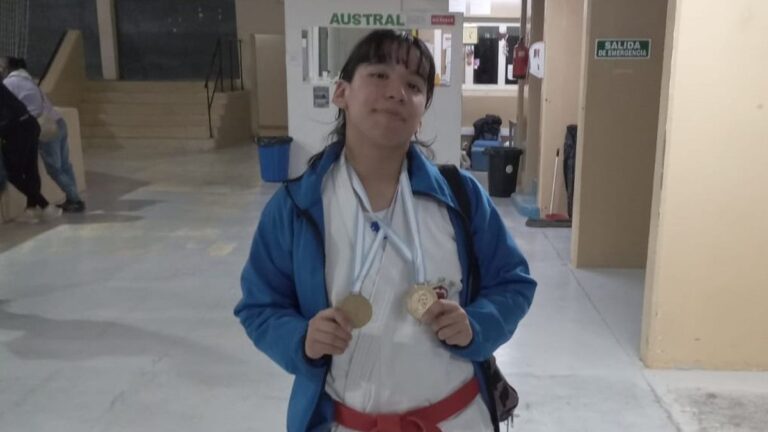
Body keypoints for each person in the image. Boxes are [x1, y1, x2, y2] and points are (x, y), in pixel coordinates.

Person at [234, 30, 536, 432]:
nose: (397, 92)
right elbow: (259, 307)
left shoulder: (461, 198)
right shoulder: (297, 207)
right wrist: (301, 339)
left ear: (421, 113)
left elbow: (514, 284)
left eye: (414, 86)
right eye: (379, 75)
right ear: (341, 92)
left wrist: (476, 324)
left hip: (455, 420)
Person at [1, 56, 85, 212]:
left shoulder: (9, 83)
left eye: (3, 67)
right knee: (64, 165)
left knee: (54, 169)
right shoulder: (29, 80)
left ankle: (73, 201)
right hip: (57, 121)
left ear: (9, 68)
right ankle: (73, 198)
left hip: (43, 127)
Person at [0, 81, 59, 223]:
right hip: (29, 124)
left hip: (16, 129)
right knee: (30, 169)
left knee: (11, 172)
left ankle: (45, 206)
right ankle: (32, 210)